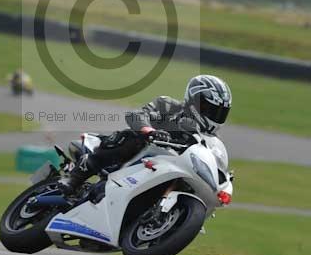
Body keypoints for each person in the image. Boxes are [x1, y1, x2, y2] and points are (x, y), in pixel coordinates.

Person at [60, 74, 232, 195]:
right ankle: (75, 178)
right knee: (132, 138)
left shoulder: (210, 141)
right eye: (210, 109)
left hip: (163, 170)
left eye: (219, 112)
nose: (214, 116)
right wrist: (148, 130)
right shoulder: (168, 106)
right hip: (134, 157)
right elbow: (135, 115)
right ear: (194, 100)